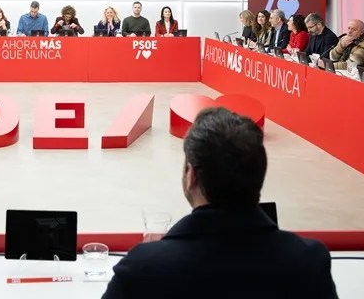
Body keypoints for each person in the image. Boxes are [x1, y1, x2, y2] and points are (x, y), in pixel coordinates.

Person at [102, 107, 337, 299]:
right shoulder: (308, 262)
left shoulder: (143, 268)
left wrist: (156, 251)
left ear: (191, 175)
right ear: (259, 174)